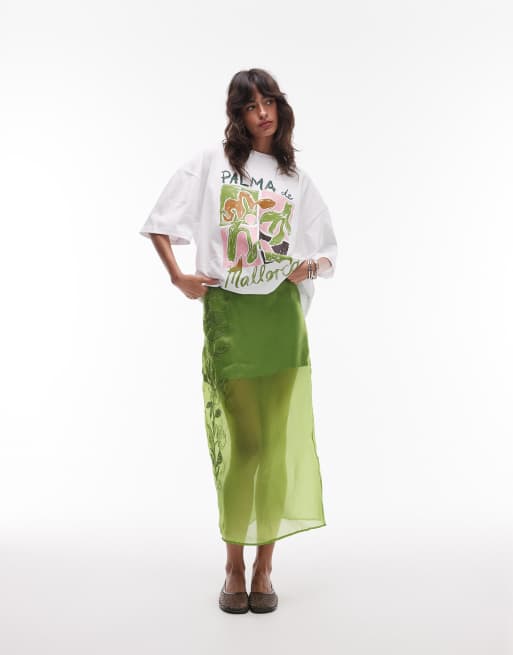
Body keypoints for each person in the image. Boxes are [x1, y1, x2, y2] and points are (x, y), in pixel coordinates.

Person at [139, 68, 338, 614]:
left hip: (280, 319)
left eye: (268, 101)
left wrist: (307, 268)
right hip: (229, 314)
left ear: (280, 107)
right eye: (251, 106)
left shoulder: (295, 179)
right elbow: (160, 222)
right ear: (237, 115)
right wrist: (178, 276)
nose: (262, 113)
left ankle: (264, 568)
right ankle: (232, 565)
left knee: (273, 446)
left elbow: (328, 250)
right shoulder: (212, 163)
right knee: (246, 445)